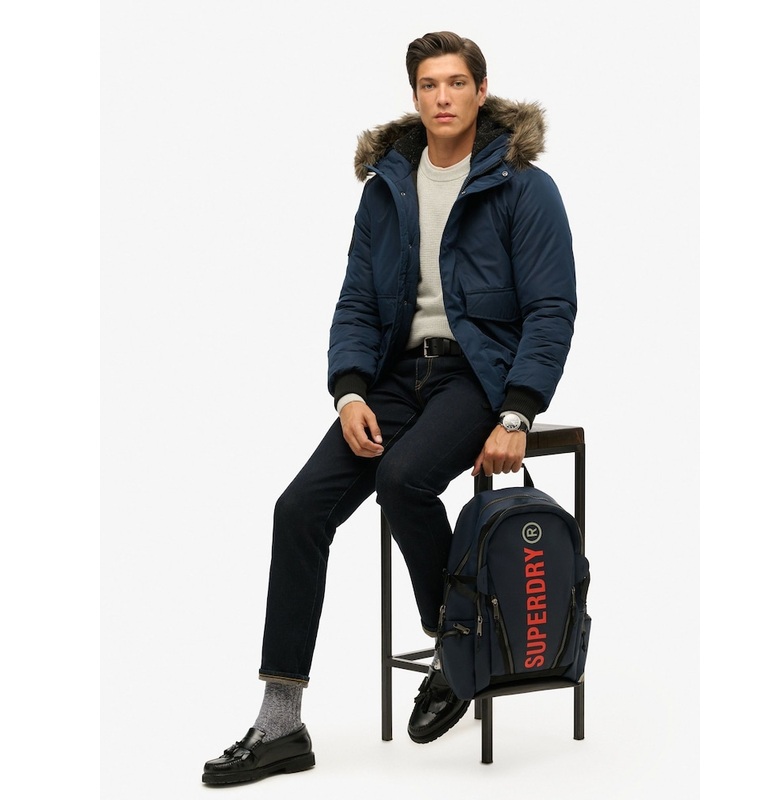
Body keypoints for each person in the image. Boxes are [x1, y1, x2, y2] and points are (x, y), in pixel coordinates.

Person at [202, 30, 576, 785]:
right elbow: (357, 301)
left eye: (456, 83)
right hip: (393, 378)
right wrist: (349, 391)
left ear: (481, 91)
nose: (443, 97)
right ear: (415, 95)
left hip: (477, 376)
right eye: (429, 85)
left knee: (404, 479)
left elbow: (551, 307)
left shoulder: (523, 186)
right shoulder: (387, 186)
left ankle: (453, 642)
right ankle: (281, 721)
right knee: (298, 510)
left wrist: (517, 412)